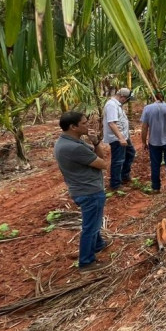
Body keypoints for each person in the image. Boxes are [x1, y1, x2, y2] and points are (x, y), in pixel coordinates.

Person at [54, 112, 111, 273]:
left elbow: (98, 156)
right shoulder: (74, 147)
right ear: (73, 126)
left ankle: (98, 244)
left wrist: (96, 142)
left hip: (83, 188)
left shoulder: (68, 141)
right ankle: (86, 262)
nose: (88, 126)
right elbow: (102, 163)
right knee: (90, 227)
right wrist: (96, 149)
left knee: (94, 222)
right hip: (89, 191)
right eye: (85, 123)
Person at [140, 90, 166, 192]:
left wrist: (144, 142)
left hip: (154, 142)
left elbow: (144, 127)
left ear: (153, 97)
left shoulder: (147, 108)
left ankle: (155, 188)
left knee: (155, 164)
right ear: (163, 97)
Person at [103, 88, 135, 191]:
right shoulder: (111, 105)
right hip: (117, 138)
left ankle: (124, 176)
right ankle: (115, 184)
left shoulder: (117, 105)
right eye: (127, 99)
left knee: (130, 153)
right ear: (122, 97)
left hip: (124, 136)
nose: (126, 101)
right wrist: (120, 138)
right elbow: (112, 123)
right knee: (118, 160)